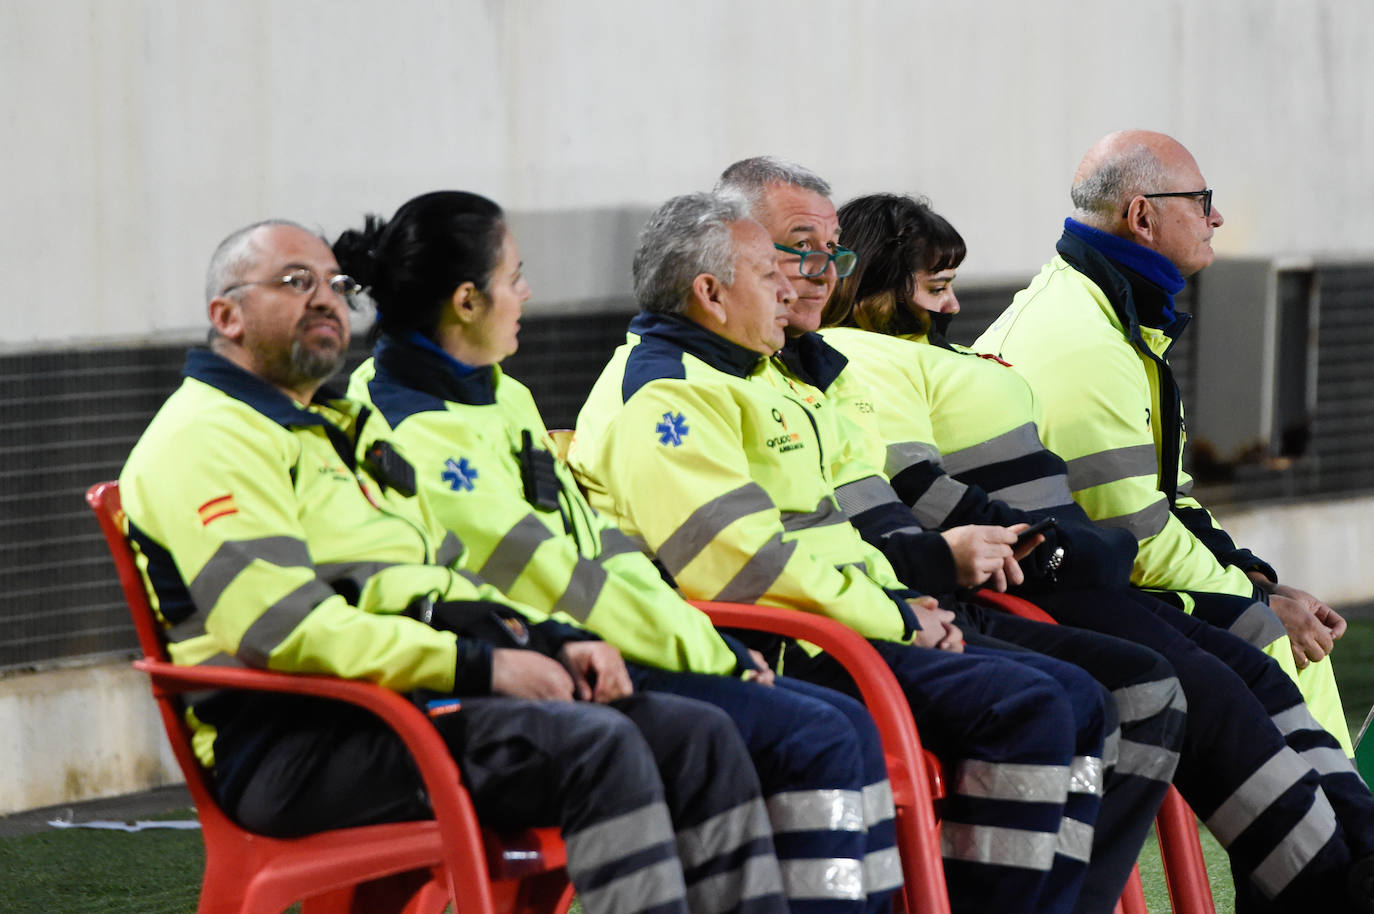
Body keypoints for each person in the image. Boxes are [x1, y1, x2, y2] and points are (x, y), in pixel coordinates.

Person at [118, 219, 790, 914]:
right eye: (294, 282)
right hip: (293, 741)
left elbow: (429, 581)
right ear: (224, 315)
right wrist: (482, 667)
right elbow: (282, 629)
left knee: (697, 736)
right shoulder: (205, 438)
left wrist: (550, 641)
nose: (324, 299)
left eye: (334, 284)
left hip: (395, 707)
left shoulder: (336, 427)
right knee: (597, 747)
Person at [332, 189, 901, 914]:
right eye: (515, 277)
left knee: (838, 722)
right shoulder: (409, 430)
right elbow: (554, 583)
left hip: (597, 649)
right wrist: (710, 652)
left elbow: (596, 542)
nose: (528, 293)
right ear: (467, 302)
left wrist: (703, 639)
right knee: (810, 733)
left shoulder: (496, 391)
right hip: (526, 673)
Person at [823, 190, 1374, 914]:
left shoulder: (919, 351)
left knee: (1253, 662)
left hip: (1068, 574)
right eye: (935, 288)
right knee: (1201, 696)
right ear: (873, 289)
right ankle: (1331, 888)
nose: (952, 306)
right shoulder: (861, 354)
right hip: (1035, 583)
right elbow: (917, 490)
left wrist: (1085, 546)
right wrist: (1067, 546)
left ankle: (1358, 853)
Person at [573, 190, 1115, 914]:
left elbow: (828, 537)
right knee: (1028, 707)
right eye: (770, 274)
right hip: (788, 635)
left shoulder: (764, 375)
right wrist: (898, 617)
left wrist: (905, 600)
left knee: (1082, 697)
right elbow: (744, 569)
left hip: (850, 619)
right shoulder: (670, 395)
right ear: (709, 292)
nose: (795, 286)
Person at [714, 157, 1187, 914]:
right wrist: (920, 589)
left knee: (1130, 690)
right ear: (723, 260)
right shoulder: (683, 389)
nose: (816, 277)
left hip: (897, 608)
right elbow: (734, 561)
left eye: (829, 255)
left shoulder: (809, 376)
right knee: (1052, 704)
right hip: (813, 641)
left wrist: (927, 580)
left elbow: (866, 515)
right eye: (797, 251)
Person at [973, 130, 1352, 753]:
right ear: (1142, 216)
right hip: (1055, 594)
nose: (1217, 216)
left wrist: (1256, 578)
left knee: (1285, 622)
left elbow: (1165, 500)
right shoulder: (1085, 343)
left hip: (1082, 575)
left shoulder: (1102, 312)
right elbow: (1137, 535)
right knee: (1281, 641)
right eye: (1202, 201)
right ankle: (1340, 839)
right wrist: (1256, 604)